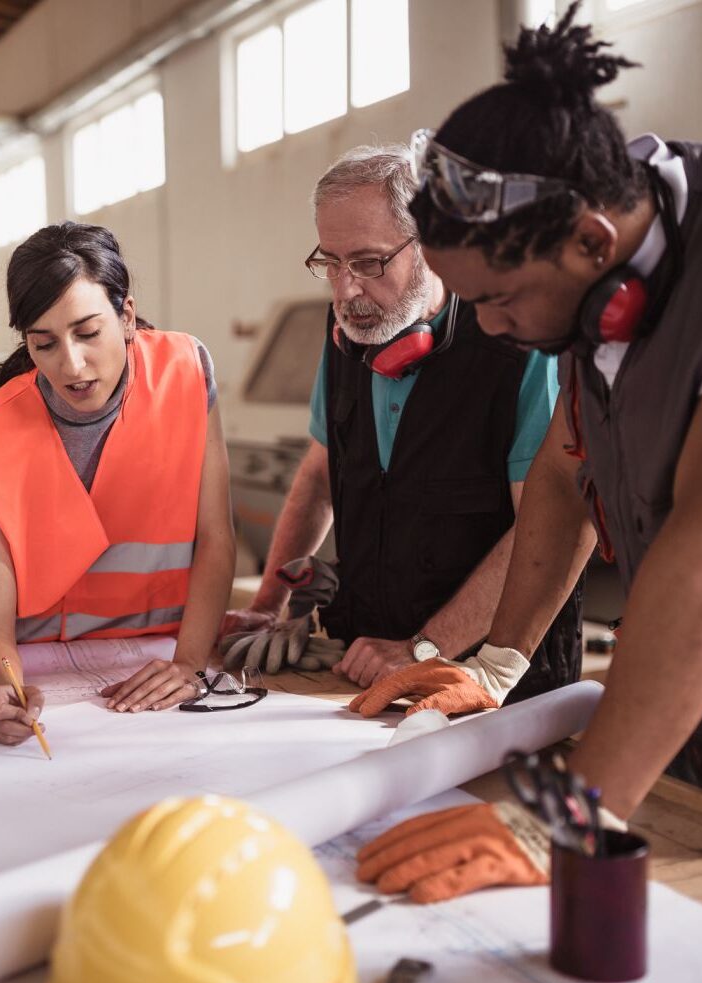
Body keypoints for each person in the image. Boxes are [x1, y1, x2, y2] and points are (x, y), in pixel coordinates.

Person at [354, 7, 702, 906]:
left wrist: (558, 816)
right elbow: (567, 470)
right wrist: (497, 665)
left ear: (592, 241)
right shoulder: (592, 274)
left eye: (501, 299)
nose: (485, 326)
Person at [223, 146, 581, 702]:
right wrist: (266, 605)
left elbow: (546, 528)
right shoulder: (346, 331)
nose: (345, 290)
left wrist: (424, 646)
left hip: (491, 683)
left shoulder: (519, 343)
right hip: (365, 663)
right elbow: (320, 475)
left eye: (368, 262)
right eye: (331, 262)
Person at [0, 222, 235, 745]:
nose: (70, 365)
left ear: (125, 316)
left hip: (152, 663)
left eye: (88, 332)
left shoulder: (186, 371)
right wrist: (3, 690)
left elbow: (215, 535)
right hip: (32, 671)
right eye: (44, 343)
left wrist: (188, 663)